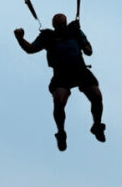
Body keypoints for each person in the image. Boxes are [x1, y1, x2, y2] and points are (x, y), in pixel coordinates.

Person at [14, 13, 105, 150]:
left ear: (66, 23)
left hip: (79, 69)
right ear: (54, 26)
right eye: (58, 25)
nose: (61, 27)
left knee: (96, 96)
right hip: (61, 73)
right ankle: (61, 133)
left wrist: (84, 43)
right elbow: (30, 49)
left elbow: (89, 50)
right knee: (59, 101)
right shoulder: (48, 37)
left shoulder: (74, 32)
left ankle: (97, 125)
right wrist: (20, 39)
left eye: (63, 24)